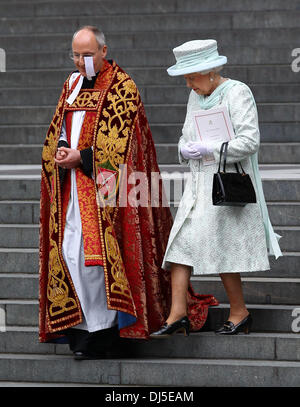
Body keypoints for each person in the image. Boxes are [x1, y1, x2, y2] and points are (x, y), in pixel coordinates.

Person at [39, 28, 217, 359]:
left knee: (97, 262)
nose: (80, 62)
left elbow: (125, 147)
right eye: (75, 55)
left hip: (109, 193)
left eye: (87, 55)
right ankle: (82, 330)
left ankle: (104, 334)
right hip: (72, 190)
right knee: (69, 253)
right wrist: (62, 149)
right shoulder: (71, 85)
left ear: (104, 50)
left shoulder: (123, 87)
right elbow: (60, 128)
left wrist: (85, 157)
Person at [151, 39, 282, 337]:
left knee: (221, 247)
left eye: (192, 77)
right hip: (197, 184)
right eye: (185, 79)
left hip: (225, 184)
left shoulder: (237, 92)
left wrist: (212, 148)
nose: (189, 85)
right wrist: (186, 149)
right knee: (180, 243)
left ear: (211, 71)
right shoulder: (196, 97)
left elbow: (250, 141)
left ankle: (239, 311)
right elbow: (185, 136)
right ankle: (177, 314)